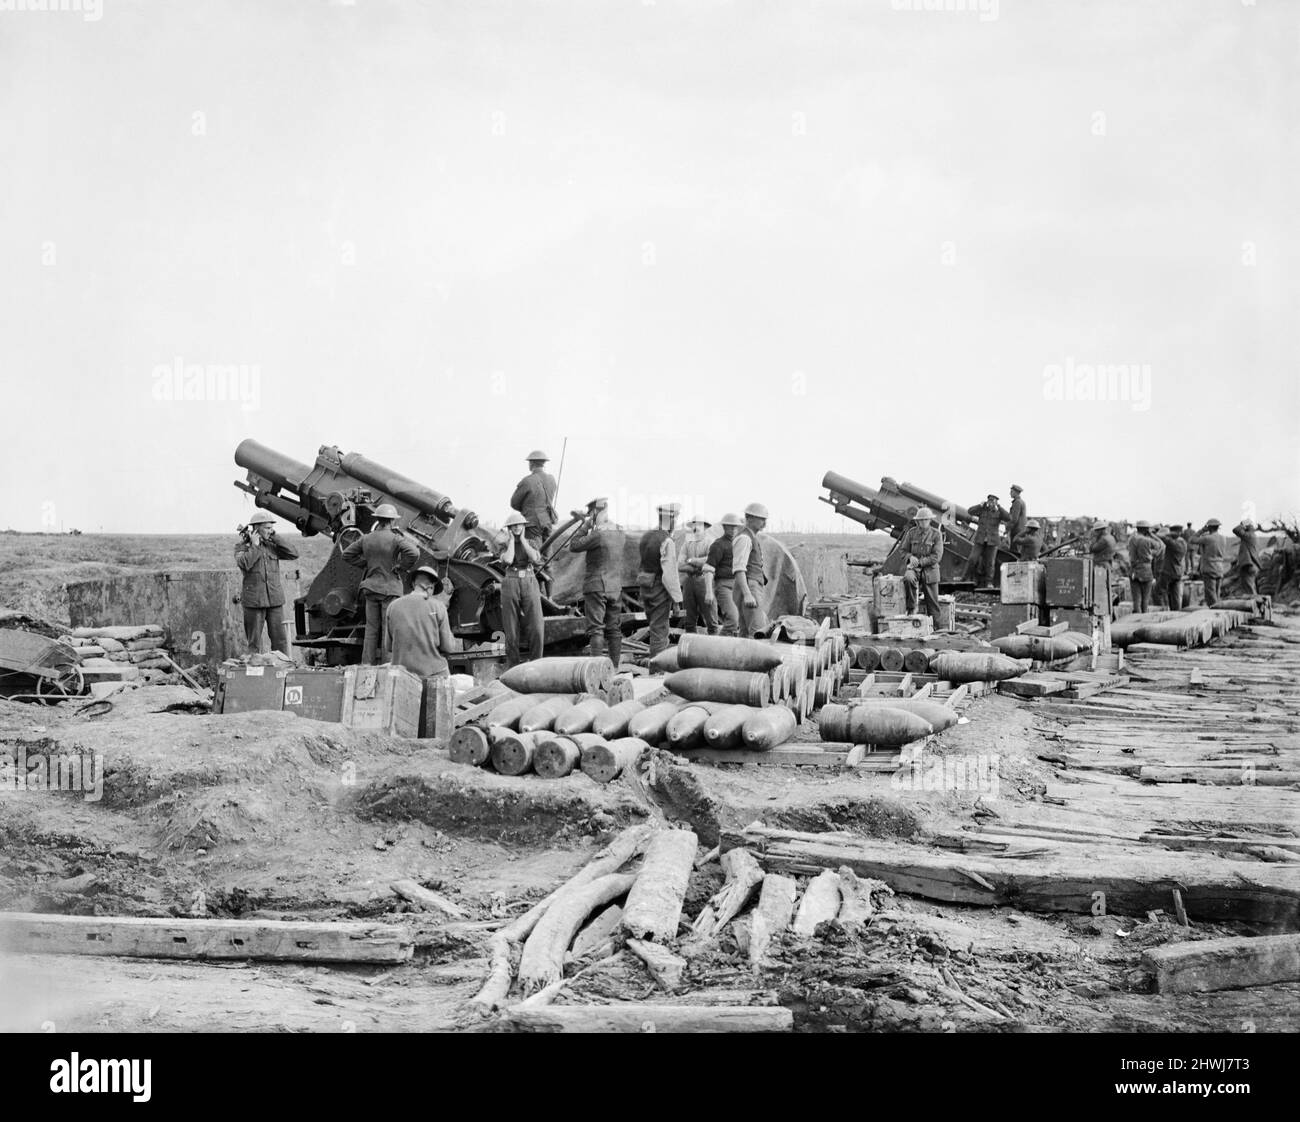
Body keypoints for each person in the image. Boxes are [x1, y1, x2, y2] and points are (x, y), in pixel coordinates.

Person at [342, 503, 420, 664]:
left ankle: (366, 663)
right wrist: (401, 567)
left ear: (377, 519)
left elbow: (347, 555)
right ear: (392, 521)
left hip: (371, 588)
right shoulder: (395, 538)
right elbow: (414, 552)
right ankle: (387, 664)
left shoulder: (366, 538)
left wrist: (365, 564)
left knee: (371, 629)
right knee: (388, 629)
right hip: (390, 589)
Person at [567, 498, 626, 665]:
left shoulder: (598, 534)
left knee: (596, 629)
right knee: (614, 629)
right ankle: (614, 669)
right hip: (615, 587)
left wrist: (586, 525)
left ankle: (596, 671)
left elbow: (574, 545)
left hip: (596, 586)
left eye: (592, 514)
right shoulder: (620, 532)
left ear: (595, 512)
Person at [235, 510, 299, 657]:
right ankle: (254, 673)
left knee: (280, 641)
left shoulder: (272, 545)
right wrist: (255, 546)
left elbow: (293, 553)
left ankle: (281, 668)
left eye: (272, 528)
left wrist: (275, 536)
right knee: (254, 643)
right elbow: (245, 564)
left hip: (274, 600)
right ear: (256, 529)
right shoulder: (242, 547)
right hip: (254, 601)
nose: (271, 531)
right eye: (267, 528)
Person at [385, 565, 457, 679]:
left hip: (403, 676)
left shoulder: (392, 606)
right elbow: (448, 648)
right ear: (431, 587)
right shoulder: (438, 607)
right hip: (433, 675)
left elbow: (388, 647)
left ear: (414, 584)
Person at [498, 511, 545, 667]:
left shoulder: (530, 542)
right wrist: (511, 541)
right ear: (509, 528)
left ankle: (536, 664)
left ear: (523, 526)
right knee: (511, 629)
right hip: (510, 582)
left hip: (529, 581)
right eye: (513, 526)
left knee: (537, 626)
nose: (516, 528)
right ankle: (513, 667)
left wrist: (523, 540)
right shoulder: (503, 545)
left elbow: (535, 558)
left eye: (519, 525)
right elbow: (509, 559)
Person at [637, 503, 683, 657]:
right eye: (674, 520)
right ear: (670, 520)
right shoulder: (667, 541)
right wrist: (676, 600)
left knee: (654, 626)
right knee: (660, 630)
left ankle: (655, 665)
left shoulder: (646, 536)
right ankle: (656, 670)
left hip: (645, 587)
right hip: (659, 589)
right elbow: (670, 575)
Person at [898, 506, 945, 630]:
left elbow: (936, 556)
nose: (923, 522)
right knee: (908, 578)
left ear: (930, 520)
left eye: (925, 520)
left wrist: (919, 562)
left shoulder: (936, 534)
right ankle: (912, 609)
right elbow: (902, 550)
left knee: (933, 604)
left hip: (931, 571)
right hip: (914, 570)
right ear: (917, 521)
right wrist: (909, 557)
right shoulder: (911, 533)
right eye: (920, 520)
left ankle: (937, 629)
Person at [731, 502, 770, 638]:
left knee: (746, 633)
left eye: (765, 519)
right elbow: (739, 569)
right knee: (757, 632)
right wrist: (748, 594)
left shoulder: (749, 537)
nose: (764, 523)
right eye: (761, 519)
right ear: (750, 518)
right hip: (750, 585)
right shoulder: (745, 538)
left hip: (750, 585)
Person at [509, 450, 559, 549]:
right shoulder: (552, 479)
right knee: (546, 556)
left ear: (531, 464)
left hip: (532, 524)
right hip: (547, 522)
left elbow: (514, 503)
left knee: (533, 553)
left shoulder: (527, 481)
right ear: (544, 463)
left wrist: (527, 508)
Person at [678, 516, 718, 636]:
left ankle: (713, 650)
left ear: (705, 527)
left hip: (705, 580)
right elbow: (680, 565)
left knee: (711, 620)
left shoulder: (711, 542)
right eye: (694, 525)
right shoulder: (687, 543)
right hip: (689, 582)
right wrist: (698, 565)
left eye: (699, 524)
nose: (696, 527)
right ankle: (691, 649)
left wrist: (691, 560)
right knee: (689, 620)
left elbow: (711, 561)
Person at [963, 493, 1009, 587]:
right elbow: (970, 511)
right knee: (972, 559)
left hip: (992, 541)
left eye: (993, 500)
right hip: (980, 539)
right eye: (990, 500)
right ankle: (964, 578)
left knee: (990, 563)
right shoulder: (982, 509)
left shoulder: (999, 512)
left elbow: (1008, 518)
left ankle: (989, 582)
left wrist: (999, 507)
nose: (991, 502)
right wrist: (980, 505)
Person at [709, 513, 743, 637]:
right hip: (723, 586)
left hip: (737, 585)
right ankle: (718, 649)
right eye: (730, 527)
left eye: (735, 527)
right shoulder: (718, 545)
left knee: (743, 620)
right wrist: (709, 591)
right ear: (724, 527)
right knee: (733, 619)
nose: (733, 529)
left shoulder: (739, 543)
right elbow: (709, 568)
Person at [1127, 520, 1165, 613]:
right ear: (1147, 530)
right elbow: (1162, 545)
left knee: (1136, 599)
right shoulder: (1148, 540)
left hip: (1134, 570)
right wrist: (1152, 535)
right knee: (1145, 600)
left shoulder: (1132, 539)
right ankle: (1143, 618)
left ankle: (1136, 617)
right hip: (1146, 570)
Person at [1192, 518, 1228, 606]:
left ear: (1209, 527)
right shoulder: (1223, 538)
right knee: (1217, 592)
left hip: (1209, 568)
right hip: (1219, 567)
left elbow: (1192, 540)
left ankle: (1215, 611)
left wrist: (1201, 530)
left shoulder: (1207, 538)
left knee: (1211, 594)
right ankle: (1218, 609)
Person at [1157, 523, 1189, 609]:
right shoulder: (1183, 542)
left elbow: (1159, 535)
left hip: (1168, 572)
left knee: (1160, 592)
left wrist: (1169, 533)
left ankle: (1164, 610)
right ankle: (1176, 613)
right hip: (1178, 572)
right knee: (1176, 595)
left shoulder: (1172, 543)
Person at [1233, 518, 1261, 597]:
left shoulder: (1248, 535)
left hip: (1249, 565)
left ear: (1247, 527)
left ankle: (1254, 606)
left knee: (1249, 590)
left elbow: (1235, 530)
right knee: (1251, 587)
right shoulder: (1253, 535)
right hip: (1253, 566)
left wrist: (1243, 524)